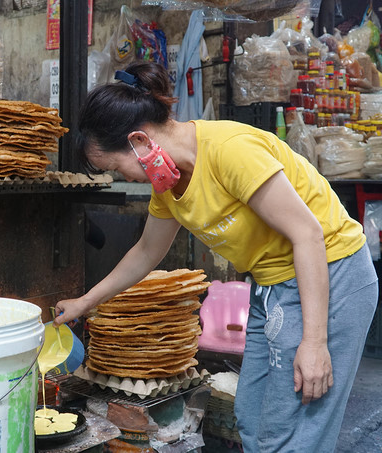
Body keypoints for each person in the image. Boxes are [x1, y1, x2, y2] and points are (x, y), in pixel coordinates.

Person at [52, 60, 378, 452]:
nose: (126, 179)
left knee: (296, 427)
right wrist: (85, 302)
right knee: (253, 419)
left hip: (330, 272)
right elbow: (145, 253)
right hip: (272, 285)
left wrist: (314, 342)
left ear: (139, 142)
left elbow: (307, 234)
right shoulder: (166, 185)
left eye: (118, 169)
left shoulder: (229, 151)